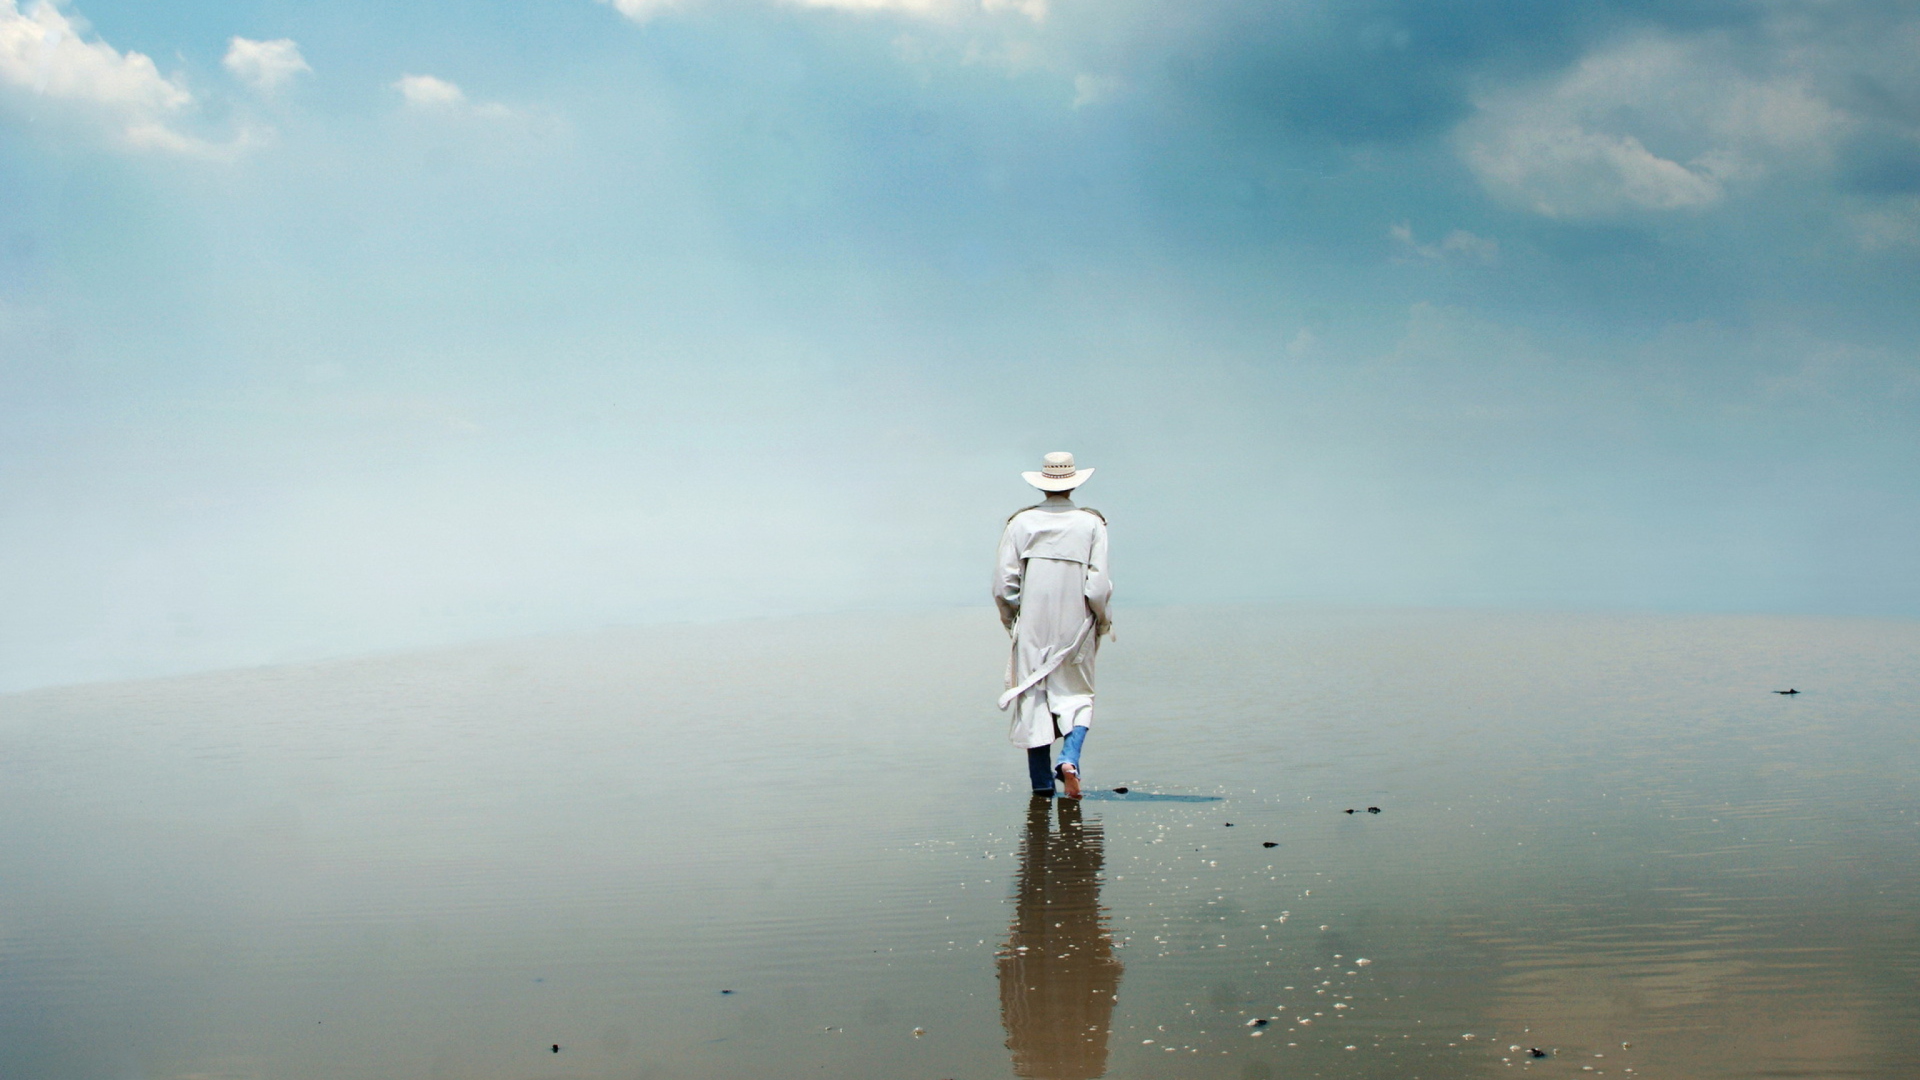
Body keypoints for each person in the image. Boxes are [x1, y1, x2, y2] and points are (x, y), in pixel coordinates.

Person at [994, 452, 1113, 798]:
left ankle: (1042, 790)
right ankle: (1069, 759)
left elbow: (1004, 584)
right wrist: (1101, 622)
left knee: (1032, 696)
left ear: (1042, 484)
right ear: (1074, 482)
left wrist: (1011, 621)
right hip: (1076, 622)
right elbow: (1099, 585)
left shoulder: (1021, 523)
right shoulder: (1092, 524)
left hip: (1032, 622)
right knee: (1077, 696)